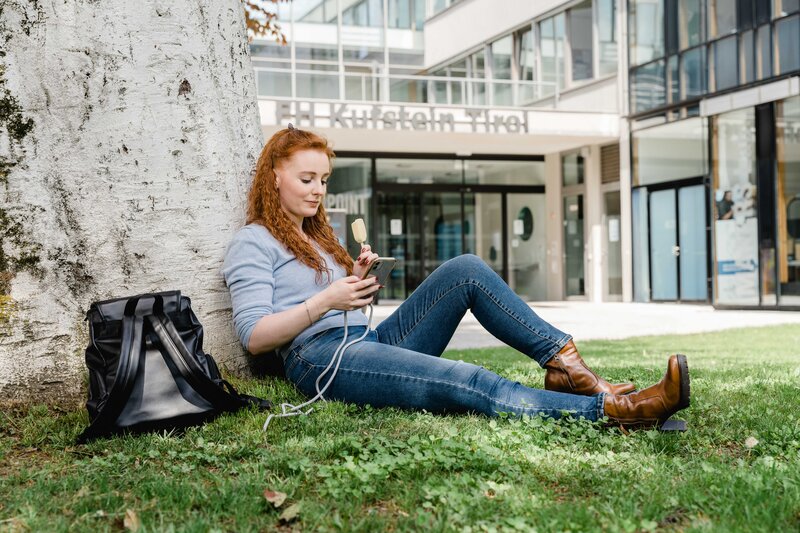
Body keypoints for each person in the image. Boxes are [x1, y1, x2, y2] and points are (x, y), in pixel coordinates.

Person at [222, 126, 690, 429]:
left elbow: (341, 304)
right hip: (320, 359)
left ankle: (567, 365)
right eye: (307, 179)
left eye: (324, 180)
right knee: (468, 379)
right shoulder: (254, 242)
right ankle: (617, 411)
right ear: (274, 177)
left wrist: (357, 281)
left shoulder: (319, 236)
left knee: (465, 268)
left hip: (369, 341)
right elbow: (255, 336)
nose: (318, 190)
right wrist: (327, 300)